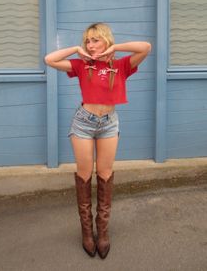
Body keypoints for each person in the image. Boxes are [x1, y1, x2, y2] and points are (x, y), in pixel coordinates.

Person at [44, 22, 151, 259]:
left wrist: (115, 48)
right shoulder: (82, 65)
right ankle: (86, 232)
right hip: (84, 122)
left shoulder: (121, 65)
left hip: (109, 123)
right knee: (84, 175)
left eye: (95, 40)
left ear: (106, 40)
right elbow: (49, 60)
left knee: (105, 173)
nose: (91, 45)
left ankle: (102, 231)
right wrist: (75, 49)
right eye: (88, 41)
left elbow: (145, 47)